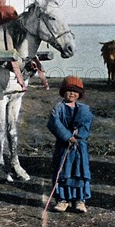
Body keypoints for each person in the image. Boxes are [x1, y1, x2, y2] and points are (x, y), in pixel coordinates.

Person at [47, 76, 93, 213]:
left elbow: (87, 125)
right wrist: (67, 136)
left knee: (79, 172)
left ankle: (79, 200)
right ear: (63, 92)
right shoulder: (58, 108)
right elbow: (54, 123)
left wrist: (77, 137)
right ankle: (62, 200)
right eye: (69, 91)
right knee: (63, 172)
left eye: (75, 91)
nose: (72, 94)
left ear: (79, 94)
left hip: (79, 147)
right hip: (63, 146)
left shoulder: (84, 109)